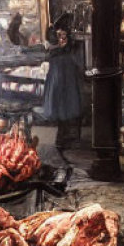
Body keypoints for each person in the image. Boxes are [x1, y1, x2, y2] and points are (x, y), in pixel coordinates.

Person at [42, 13, 82, 152]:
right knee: (62, 104)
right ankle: (63, 137)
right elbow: (50, 50)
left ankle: (65, 137)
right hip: (60, 73)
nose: (62, 36)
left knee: (66, 104)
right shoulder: (53, 39)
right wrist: (60, 45)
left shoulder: (66, 41)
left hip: (64, 73)